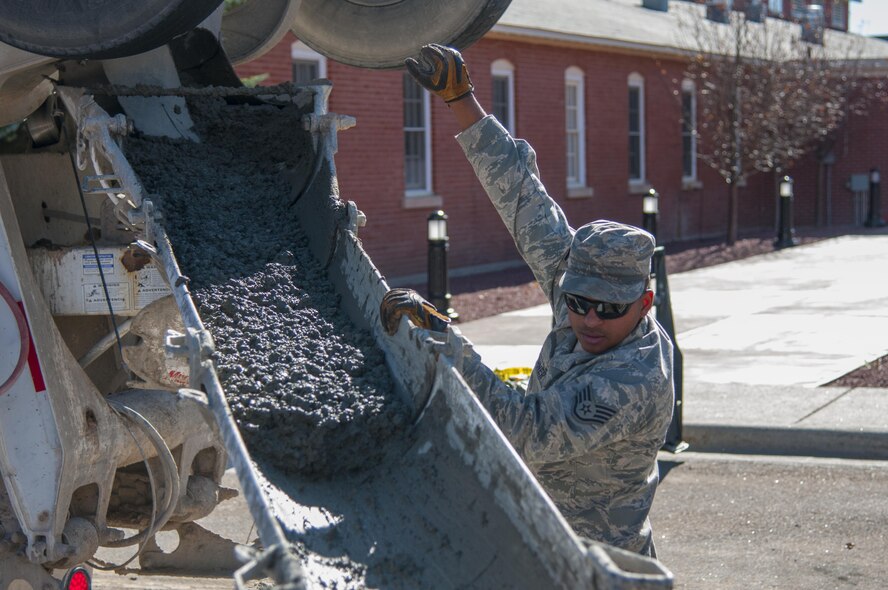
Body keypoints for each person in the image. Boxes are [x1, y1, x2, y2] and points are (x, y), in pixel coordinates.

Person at [381, 44, 674, 557]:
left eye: (609, 309)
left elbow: (525, 428)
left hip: (598, 565)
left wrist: (445, 342)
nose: (587, 317)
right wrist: (461, 99)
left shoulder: (633, 381)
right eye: (579, 301)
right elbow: (523, 197)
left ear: (645, 302)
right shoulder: (578, 287)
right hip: (538, 541)